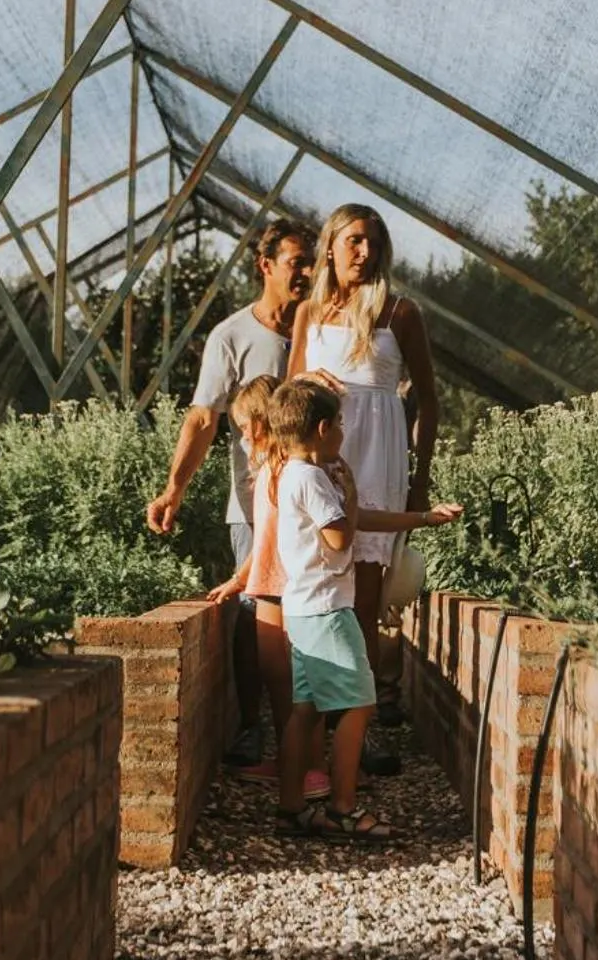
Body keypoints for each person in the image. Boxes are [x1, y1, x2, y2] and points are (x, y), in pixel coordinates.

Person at [146, 217, 315, 765]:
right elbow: (202, 419)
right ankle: (252, 725)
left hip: (316, 502)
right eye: (297, 262)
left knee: (319, 610)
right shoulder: (233, 336)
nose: (308, 273)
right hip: (255, 505)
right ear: (266, 266)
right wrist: (175, 490)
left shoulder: (323, 330)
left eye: (313, 262)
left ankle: (321, 730)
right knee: (251, 610)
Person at [268, 378, 460, 841]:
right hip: (328, 611)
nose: (343, 434)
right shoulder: (312, 478)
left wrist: (422, 518)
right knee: (359, 705)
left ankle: (293, 807)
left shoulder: (296, 473)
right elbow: (341, 535)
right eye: (339, 426)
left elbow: (354, 520)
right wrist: (350, 490)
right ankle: (342, 808)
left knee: (307, 710)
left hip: (305, 609)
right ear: (321, 428)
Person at [287, 204, 438, 726]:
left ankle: (360, 728)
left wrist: (420, 481)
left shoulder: (400, 313)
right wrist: (309, 386)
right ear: (330, 246)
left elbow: (430, 400)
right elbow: (287, 398)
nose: (364, 252)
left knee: (365, 604)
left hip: (378, 456)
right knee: (319, 584)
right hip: (321, 456)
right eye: (353, 240)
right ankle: (317, 717)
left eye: (373, 242)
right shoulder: (309, 314)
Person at [208, 377, 330, 797]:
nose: (242, 434)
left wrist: (240, 579)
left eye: (244, 425)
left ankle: (306, 768)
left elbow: (270, 540)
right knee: (286, 684)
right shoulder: (277, 471)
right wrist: (240, 580)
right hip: (273, 582)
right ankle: (295, 762)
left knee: (290, 685)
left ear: (261, 424)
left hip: (281, 584)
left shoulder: (279, 474)